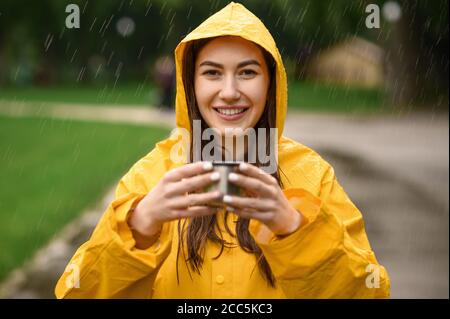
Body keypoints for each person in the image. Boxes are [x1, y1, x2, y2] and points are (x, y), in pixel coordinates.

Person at [55, 2, 390, 298]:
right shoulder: (153, 174)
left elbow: (368, 292)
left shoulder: (311, 174)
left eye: (247, 72)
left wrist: (293, 228)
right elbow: (77, 293)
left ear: (271, 83)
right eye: (212, 73)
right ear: (191, 83)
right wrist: (140, 224)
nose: (229, 92)